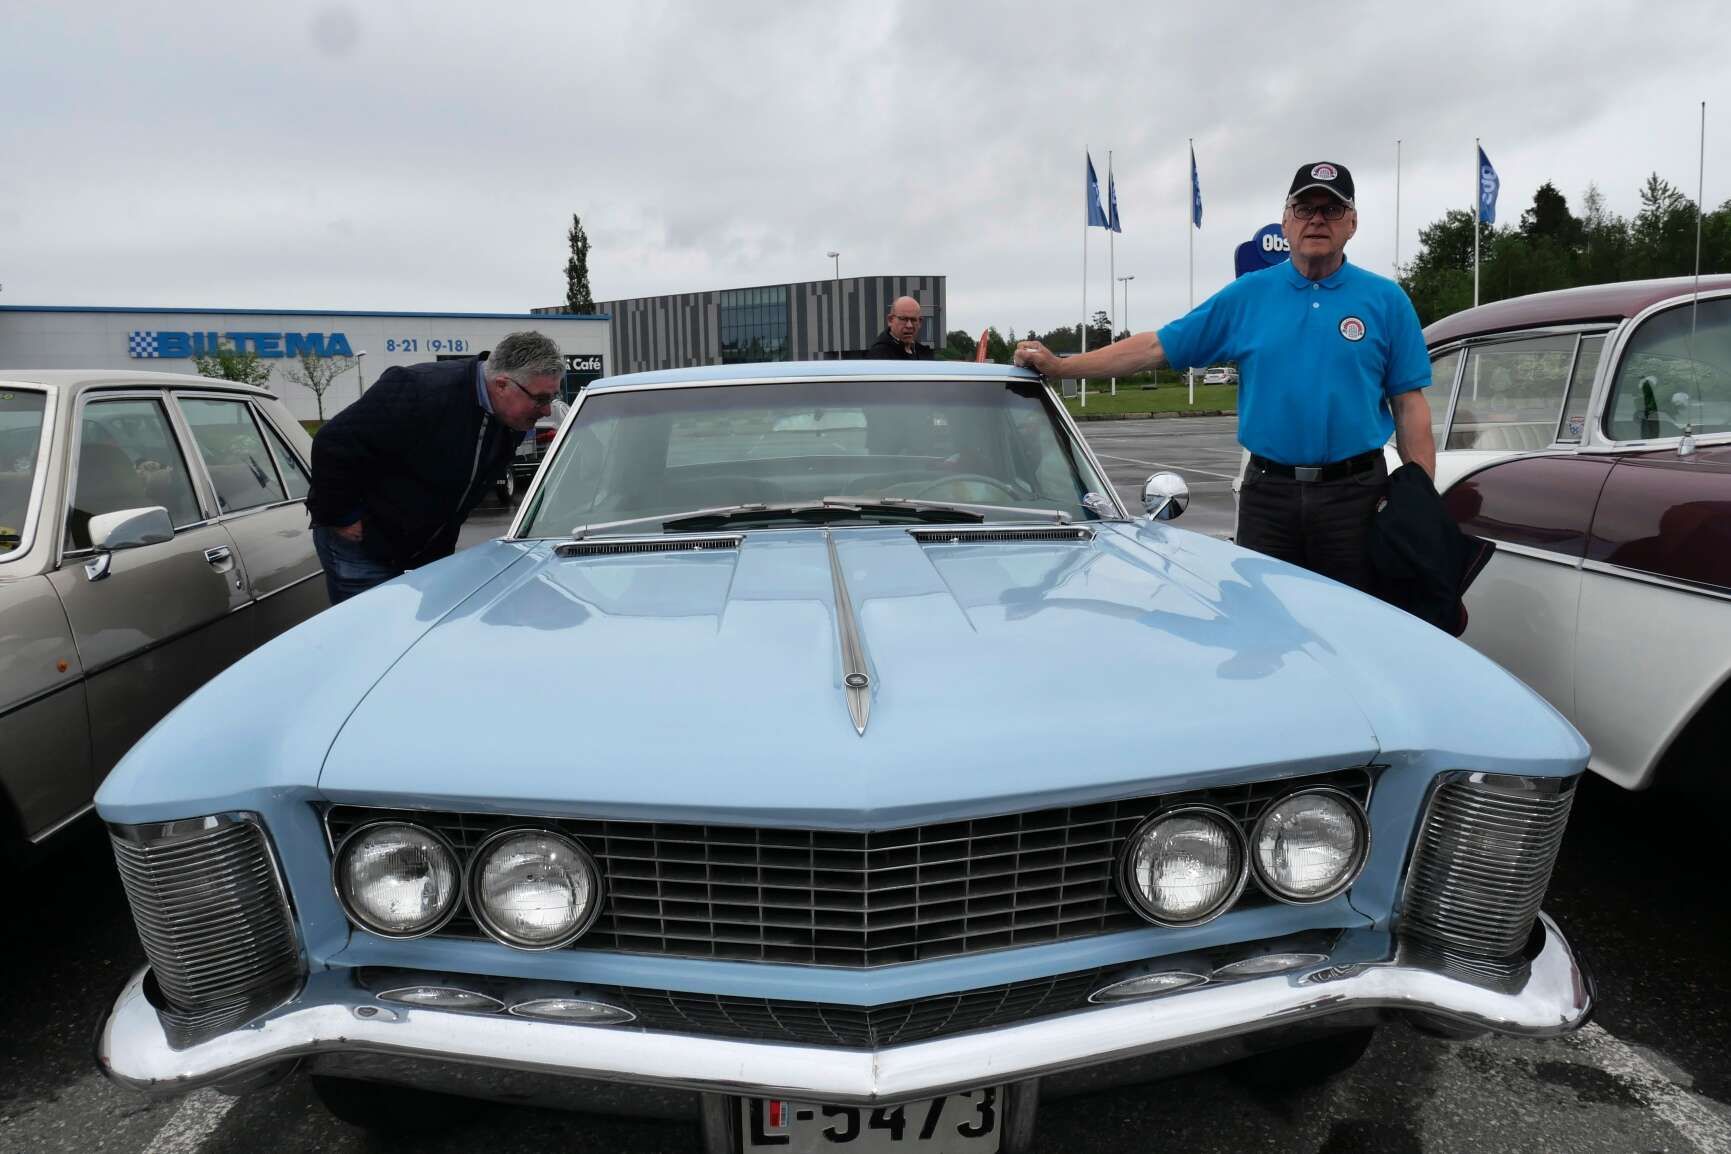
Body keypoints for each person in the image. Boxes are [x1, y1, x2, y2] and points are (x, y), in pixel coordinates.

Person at [1014, 161, 1435, 593]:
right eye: (1305, 208)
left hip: (1356, 498)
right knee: (1262, 620)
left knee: (1354, 619)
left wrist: (1421, 503)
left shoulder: (1386, 301)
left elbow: (1410, 406)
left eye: (1331, 210)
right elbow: (1156, 347)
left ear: (1352, 223)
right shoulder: (1249, 296)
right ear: (1286, 222)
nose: (1317, 220)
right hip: (1269, 499)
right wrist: (1063, 367)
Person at [307, 331, 565, 603]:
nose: (547, 411)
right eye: (540, 399)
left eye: (552, 398)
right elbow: (333, 443)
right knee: (371, 626)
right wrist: (342, 515)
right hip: (363, 551)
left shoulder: (510, 419)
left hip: (428, 552)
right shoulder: (418, 389)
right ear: (502, 385)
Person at [866, 297, 934, 359]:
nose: (909, 325)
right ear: (890, 320)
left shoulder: (924, 353)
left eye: (913, 320)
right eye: (903, 319)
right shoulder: (879, 355)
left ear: (920, 322)